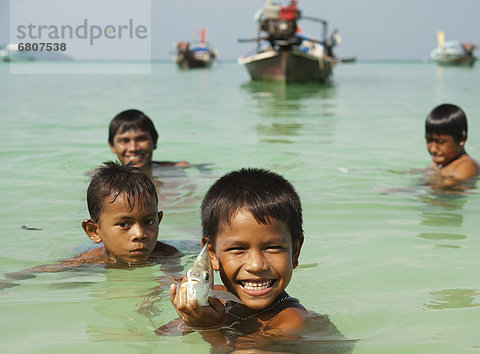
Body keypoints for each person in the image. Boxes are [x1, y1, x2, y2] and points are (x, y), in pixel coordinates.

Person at [161, 167, 307, 336]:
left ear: (295, 252)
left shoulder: (291, 322)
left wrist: (208, 328)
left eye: (272, 248)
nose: (256, 265)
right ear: (212, 255)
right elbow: (163, 336)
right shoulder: (218, 298)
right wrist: (190, 317)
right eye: (238, 249)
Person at [1, 162, 180, 288]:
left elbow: (170, 281)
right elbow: (37, 271)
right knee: (61, 285)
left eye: (148, 222)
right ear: (94, 231)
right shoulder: (88, 260)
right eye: (124, 224)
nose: (139, 234)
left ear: (159, 220)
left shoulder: (168, 255)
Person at [108, 109, 189, 176]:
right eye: (124, 141)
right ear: (112, 146)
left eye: (141, 139)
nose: (133, 148)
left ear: (154, 141)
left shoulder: (177, 168)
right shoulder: (101, 179)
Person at [425, 104, 480, 187]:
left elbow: (447, 188)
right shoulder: (439, 163)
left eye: (440, 142)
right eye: (429, 140)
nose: (433, 149)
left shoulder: (467, 166)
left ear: (462, 139)